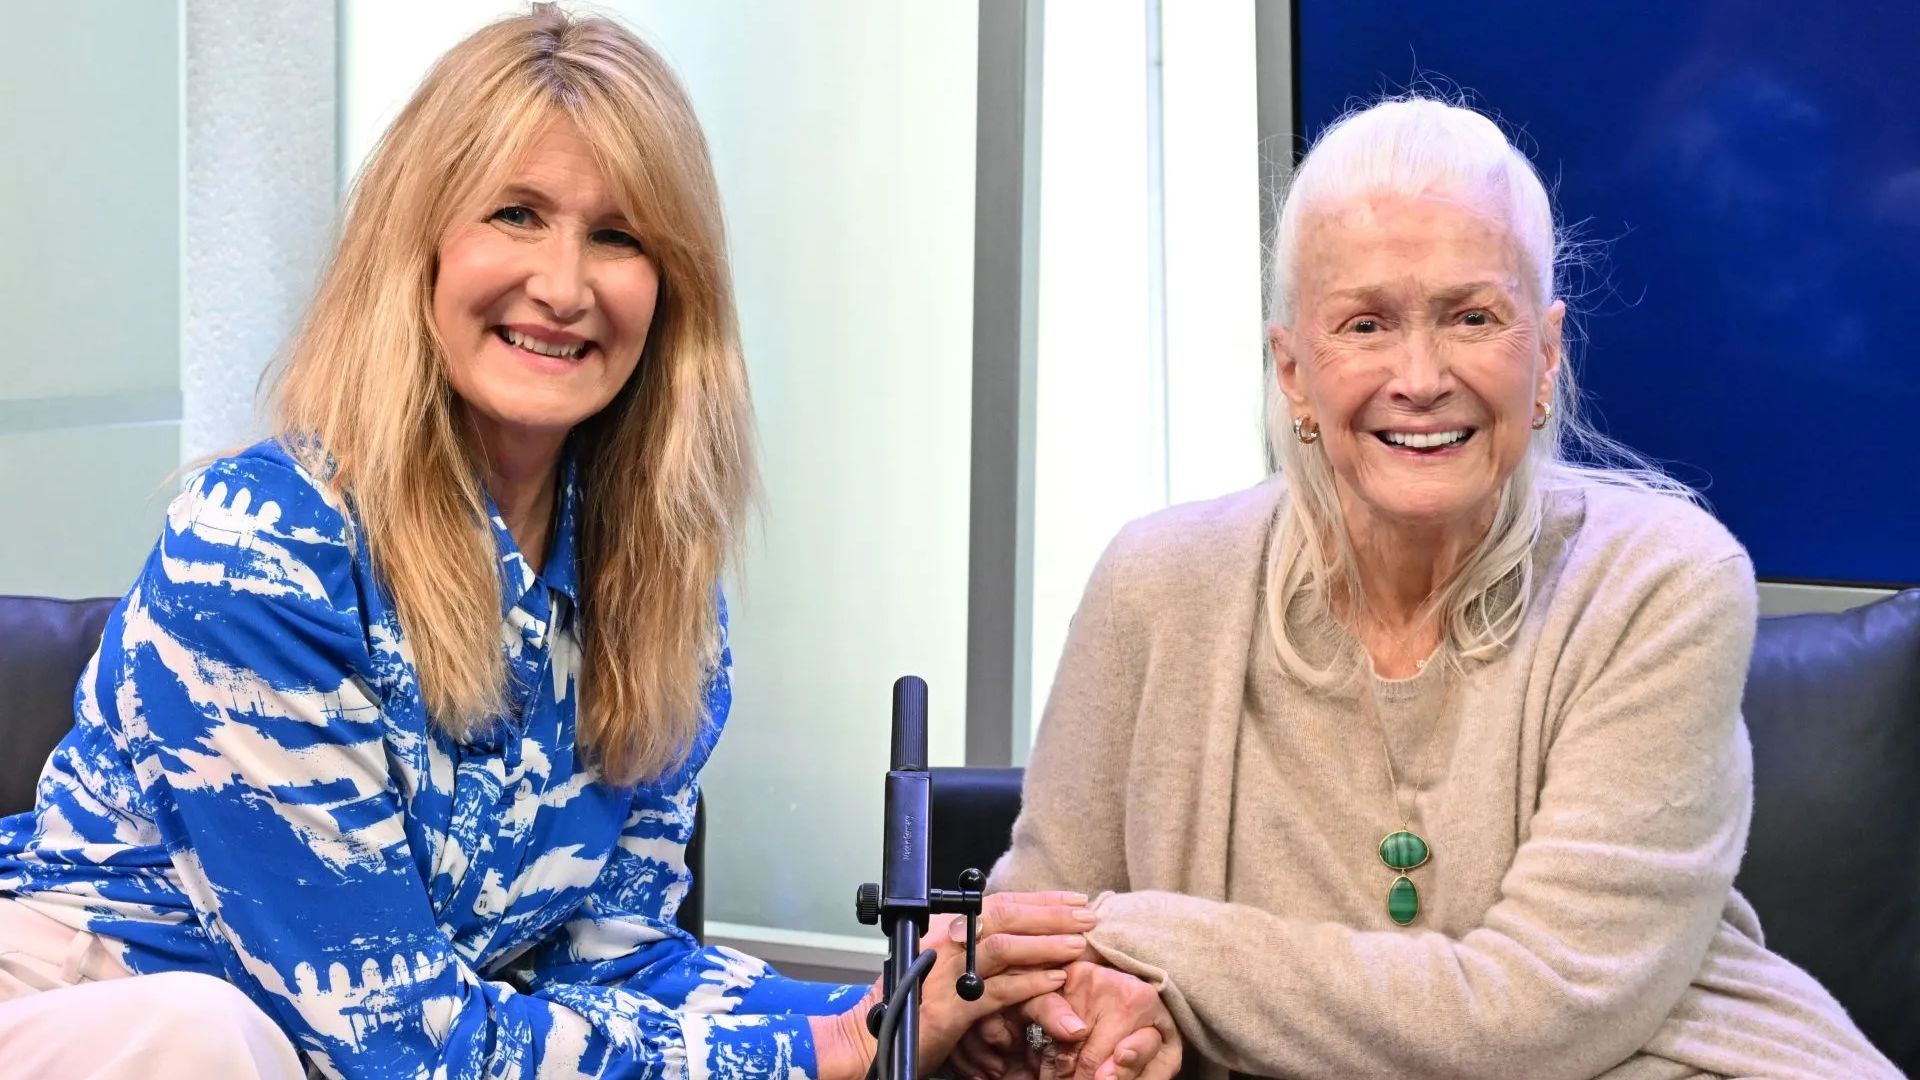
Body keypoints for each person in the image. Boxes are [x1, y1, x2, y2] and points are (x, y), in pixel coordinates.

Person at [0, 7, 1134, 1078]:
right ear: (421, 249)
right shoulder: (260, 550)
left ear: (671, 290)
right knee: (208, 1041)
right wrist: (819, 1056)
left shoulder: (657, 598)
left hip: (348, 1051)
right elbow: (397, 1043)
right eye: (515, 214)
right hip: (102, 1010)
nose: (563, 285)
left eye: (620, 235)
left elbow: (618, 969)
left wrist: (900, 1008)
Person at [980, 96, 1902, 1079]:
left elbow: (1544, 1012)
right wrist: (1100, 1024)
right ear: (1292, 370)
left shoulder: (1664, 582)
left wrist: (1153, 951)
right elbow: (1031, 953)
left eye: (1471, 317)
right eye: (1366, 323)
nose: (1418, 377)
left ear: (1544, 355)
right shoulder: (1155, 584)